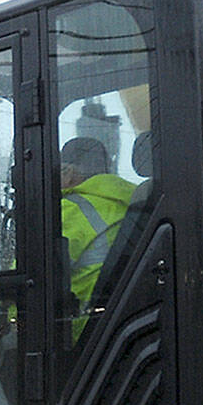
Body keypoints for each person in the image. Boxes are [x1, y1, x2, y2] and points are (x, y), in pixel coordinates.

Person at [60, 137, 135, 323]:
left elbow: (34, 274)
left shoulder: (70, 209)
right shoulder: (131, 202)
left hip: (81, 330)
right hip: (123, 316)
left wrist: (3, 308)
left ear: (68, 172)